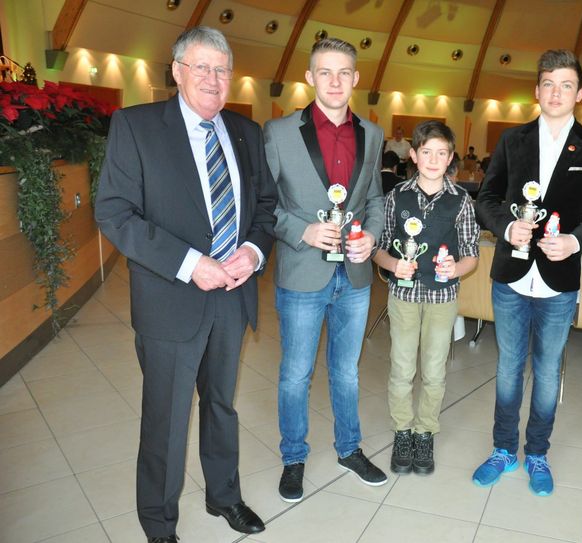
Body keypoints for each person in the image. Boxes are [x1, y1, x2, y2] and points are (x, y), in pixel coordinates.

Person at [94, 26, 277, 542]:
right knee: (167, 419)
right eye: (201, 67)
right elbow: (114, 213)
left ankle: (224, 497)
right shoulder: (136, 126)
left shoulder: (246, 131)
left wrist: (254, 250)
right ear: (176, 71)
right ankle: (158, 524)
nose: (213, 80)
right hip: (171, 299)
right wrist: (190, 262)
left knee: (221, 405)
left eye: (222, 70)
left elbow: (265, 208)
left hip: (232, 297)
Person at [473, 49, 582, 497]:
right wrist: (506, 227)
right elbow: (487, 199)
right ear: (536, 90)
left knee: (548, 372)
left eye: (566, 85)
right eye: (548, 84)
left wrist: (574, 241)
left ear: (580, 93)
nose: (556, 92)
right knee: (509, 368)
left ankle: (537, 453)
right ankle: (501, 449)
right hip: (511, 275)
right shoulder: (512, 141)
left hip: (559, 279)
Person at [262, 37, 387, 504]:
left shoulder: (372, 135)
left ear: (356, 79)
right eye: (325, 73)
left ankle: (349, 449)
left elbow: (374, 199)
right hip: (301, 273)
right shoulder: (277, 133)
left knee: (347, 372)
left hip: (353, 276)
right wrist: (302, 232)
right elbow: (263, 203)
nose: (335, 82)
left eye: (344, 73)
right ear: (310, 78)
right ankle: (294, 457)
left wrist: (371, 236)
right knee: (295, 374)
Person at [373, 121, 479, 476]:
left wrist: (456, 267)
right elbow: (379, 248)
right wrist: (393, 265)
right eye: (427, 152)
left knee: (434, 371)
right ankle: (402, 431)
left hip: (442, 296)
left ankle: (425, 431)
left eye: (442, 153)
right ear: (414, 156)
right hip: (403, 295)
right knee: (402, 368)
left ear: (450, 158)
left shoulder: (461, 200)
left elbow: (472, 255)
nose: (434, 159)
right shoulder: (396, 197)